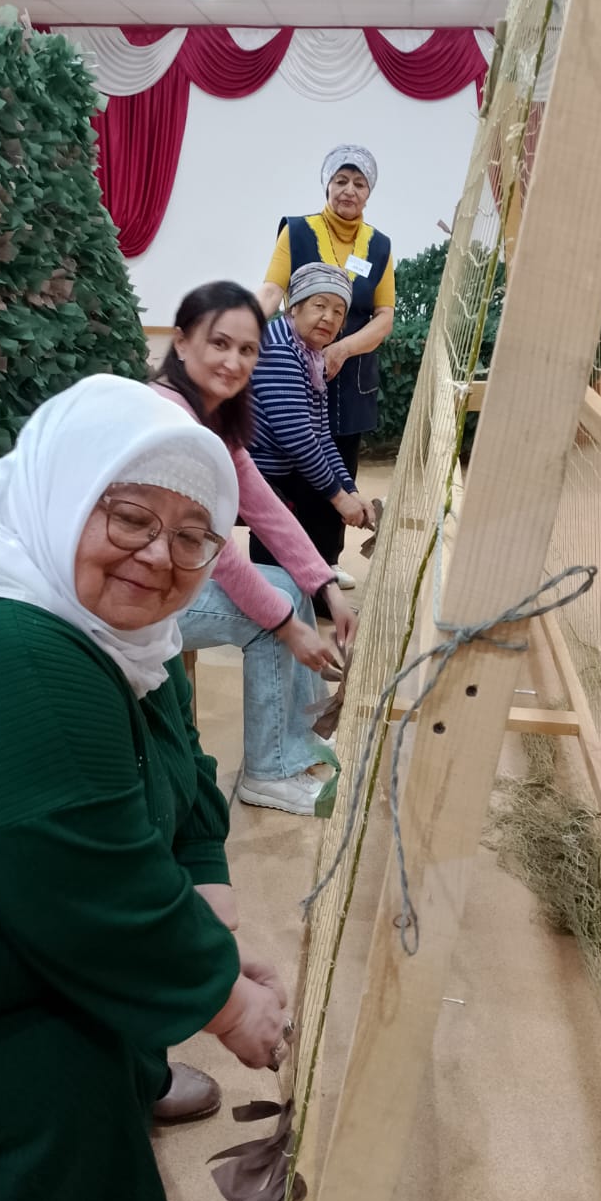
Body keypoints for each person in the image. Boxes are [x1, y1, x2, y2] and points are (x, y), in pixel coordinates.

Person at [0, 376, 290, 1201]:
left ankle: (131, 1073)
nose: (158, 554)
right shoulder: (13, 649)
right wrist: (226, 1004)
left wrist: (208, 898)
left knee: (120, 1011)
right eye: (130, 516)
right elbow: (93, 890)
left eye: (192, 535)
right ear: (65, 490)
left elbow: (180, 759)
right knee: (63, 1089)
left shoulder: (112, 624)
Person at [150, 280, 358, 817]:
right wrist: (287, 625)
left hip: (166, 570)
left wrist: (327, 588)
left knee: (289, 585)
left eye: (247, 349)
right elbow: (216, 553)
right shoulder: (173, 421)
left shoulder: (211, 415)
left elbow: (266, 508)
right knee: (270, 617)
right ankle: (270, 771)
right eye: (219, 343)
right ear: (181, 341)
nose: (234, 361)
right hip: (133, 593)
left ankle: (300, 735)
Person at [256, 143, 394, 588]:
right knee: (297, 461)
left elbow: (384, 316)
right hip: (303, 356)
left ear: (369, 192)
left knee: (337, 452)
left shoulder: (379, 245)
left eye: (359, 183)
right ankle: (288, 568)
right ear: (327, 185)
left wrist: (340, 349)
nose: (349, 190)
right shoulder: (297, 231)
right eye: (341, 180)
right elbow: (271, 291)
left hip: (347, 371)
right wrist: (243, 332)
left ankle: (325, 563)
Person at [247, 263, 375, 582]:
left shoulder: (311, 354)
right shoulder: (280, 348)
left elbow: (321, 435)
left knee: (324, 492)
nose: (329, 317)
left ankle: (311, 583)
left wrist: (351, 490)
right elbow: (299, 439)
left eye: (338, 311)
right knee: (318, 498)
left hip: (277, 467)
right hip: (253, 470)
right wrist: (341, 499)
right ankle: (279, 588)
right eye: (319, 305)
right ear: (294, 307)